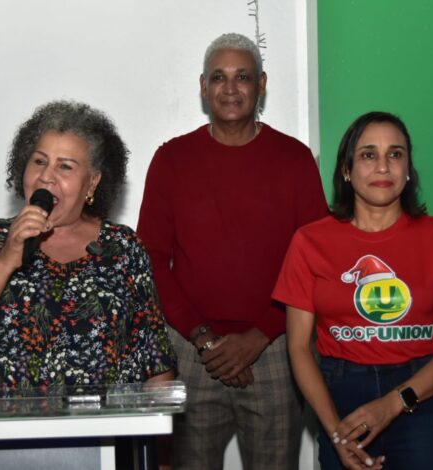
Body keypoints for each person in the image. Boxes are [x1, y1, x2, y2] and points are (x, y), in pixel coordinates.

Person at [137, 33, 328, 469]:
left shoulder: (294, 159)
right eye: (218, 77)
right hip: (188, 350)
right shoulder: (171, 160)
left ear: (261, 85)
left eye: (242, 76)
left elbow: (316, 263)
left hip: (277, 346)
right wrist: (204, 339)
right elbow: (150, 261)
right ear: (202, 88)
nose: (230, 87)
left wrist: (259, 336)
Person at [273, 111, 433, 470]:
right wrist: (336, 433)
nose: (383, 166)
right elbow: (298, 347)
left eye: (395, 154)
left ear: (408, 169)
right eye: (369, 154)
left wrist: (393, 403)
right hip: (340, 395)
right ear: (347, 169)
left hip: (422, 393)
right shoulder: (309, 242)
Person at [0, 100, 176, 391]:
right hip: (7, 430)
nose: (46, 176)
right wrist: (5, 260)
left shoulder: (123, 248)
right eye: (39, 161)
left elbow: (154, 358)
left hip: (101, 431)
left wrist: (157, 430)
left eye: (65, 166)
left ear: (92, 183)